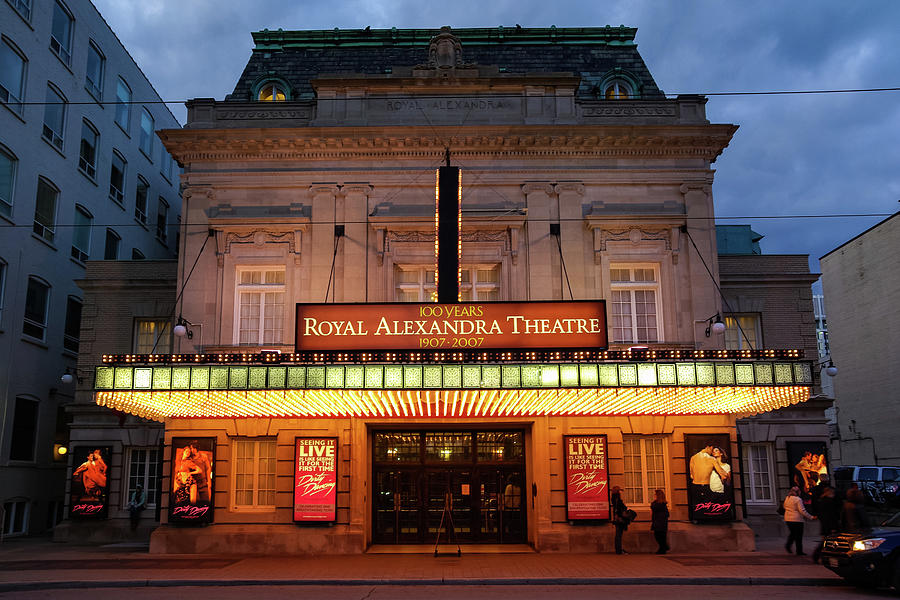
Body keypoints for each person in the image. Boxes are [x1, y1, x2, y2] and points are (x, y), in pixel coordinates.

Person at [783, 485, 817, 555]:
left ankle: (788, 545)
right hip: (797, 519)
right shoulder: (798, 499)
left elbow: (784, 506)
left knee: (793, 534)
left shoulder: (787, 498)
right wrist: (811, 517)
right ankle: (799, 551)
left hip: (788, 519)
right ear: (798, 492)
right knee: (798, 536)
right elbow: (802, 511)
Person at [812, 485, 839, 563]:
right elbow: (831, 515)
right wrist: (833, 527)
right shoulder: (829, 502)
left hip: (825, 524)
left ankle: (818, 556)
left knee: (825, 542)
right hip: (829, 525)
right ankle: (818, 556)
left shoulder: (822, 501)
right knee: (826, 542)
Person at [611, 485, 629, 554]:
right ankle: (619, 550)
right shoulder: (617, 499)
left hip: (618, 519)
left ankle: (618, 549)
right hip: (619, 519)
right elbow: (619, 508)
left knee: (618, 535)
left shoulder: (614, 498)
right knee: (619, 535)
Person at [650, 488, 670, 554]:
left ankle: (663, 548)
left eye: (655, 494)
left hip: (659, 522)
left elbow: (666, 514)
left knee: (659, 536)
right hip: (660, 522)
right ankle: (664, 547)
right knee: (660, 536)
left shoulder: (659, 504)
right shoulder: (662, 504)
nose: (654, 495)